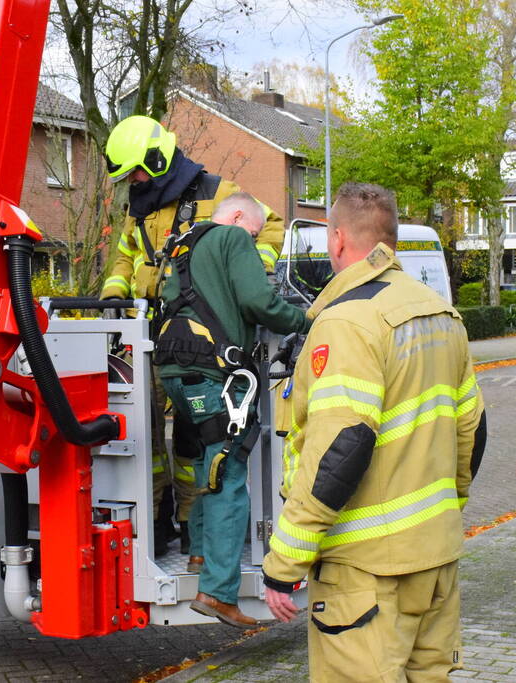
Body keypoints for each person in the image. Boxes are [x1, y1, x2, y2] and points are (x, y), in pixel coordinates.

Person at [262, 182, 486, 680]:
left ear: (337, 240)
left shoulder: (348, 323)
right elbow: (472, 428)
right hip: (435, 559)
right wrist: (446, 511)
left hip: (365, 575)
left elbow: (340, 451)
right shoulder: (440, 312)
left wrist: (285, 563)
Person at [101, 115, 285, 557]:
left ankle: (191, 520)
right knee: (140, 431)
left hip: (195, 334)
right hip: (144, 333)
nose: (134, 181)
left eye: (137, 171)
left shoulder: (216, 192)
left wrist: (249, 269)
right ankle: (156, 514)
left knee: (191, 433)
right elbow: (126, 258)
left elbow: (271, 225)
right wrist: (112, 293)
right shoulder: (139, 207)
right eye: (128, 176)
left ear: (158, 159)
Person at [155, 192, 309, 628]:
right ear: (239, 216)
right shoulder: (232, 239)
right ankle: (218, 592)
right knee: (228, 471)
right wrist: (306, 320)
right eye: (256, 233)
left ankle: (199, 552)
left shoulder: (183, 242)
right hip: (212, 371)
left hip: (174, 369)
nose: (255, 241)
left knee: (207, 461)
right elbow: (258, 302)